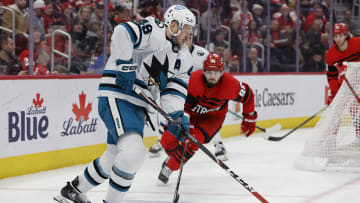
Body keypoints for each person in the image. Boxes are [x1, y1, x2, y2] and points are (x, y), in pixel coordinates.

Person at [55, 5, 196, 203]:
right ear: (173, 25)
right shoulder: (154, 30)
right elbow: (122, 32)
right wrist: (125, 65)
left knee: (113, 157)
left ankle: (72, 191)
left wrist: (177, 117)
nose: (189, 36)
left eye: (191, 31)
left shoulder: (184, 59)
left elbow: (173, 92)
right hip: (118, 94)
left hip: (138, 105)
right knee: (133, 153)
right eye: (186, 30)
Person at [158, 53, 258, 184]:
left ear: (222, 71)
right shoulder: (193, 80)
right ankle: (174, 157)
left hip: (212, 119)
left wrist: (249, 118)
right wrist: (186, 120)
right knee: (167, 141)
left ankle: (170, 167)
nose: (212, 76)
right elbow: (184, 104)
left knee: (194, 140)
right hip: (190, 114)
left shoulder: (231, 84)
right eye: (209, 71)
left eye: (216, 72)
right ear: (203, 70)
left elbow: (248, 95)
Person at [149, 38, 230, 161]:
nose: (184, 41)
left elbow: (214, 72)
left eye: (187, 38)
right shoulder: (172, 53)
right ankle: (161, 142)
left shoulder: (202, 54)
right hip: (179, 93)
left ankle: (218, 145)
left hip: (198, 95)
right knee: (169, 116)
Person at [325, 23, 360, 138]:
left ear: (345, 35)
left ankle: (358, 134)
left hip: (358, 84)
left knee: (356, 109)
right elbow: (331, 76)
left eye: (340, 35)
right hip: (344, 87)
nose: (338, 39)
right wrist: (336, 93)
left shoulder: (357, 43)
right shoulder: (331, 54)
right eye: (335, 36)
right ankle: (332, 136)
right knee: (334, 107)